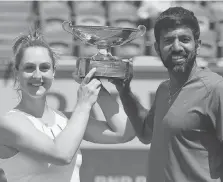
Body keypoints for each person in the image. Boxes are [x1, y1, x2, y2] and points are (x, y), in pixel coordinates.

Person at [0, 30, 135, 182]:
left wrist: (97, 86)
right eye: (29, 68)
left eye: (44, 67)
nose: (37, 75)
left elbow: (124, 133)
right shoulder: (9, 123)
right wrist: (83, 104)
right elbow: (62, 155)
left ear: (53, 72)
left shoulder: (67, 120)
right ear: (16, 73)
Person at [112, 6, 223, 182]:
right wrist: (124, 91)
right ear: (157, 47)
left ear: (198, 45)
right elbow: (145, 133)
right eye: (169, 41)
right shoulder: (164, 89)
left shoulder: (216, 89)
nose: (177, 47)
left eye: (185, 39)